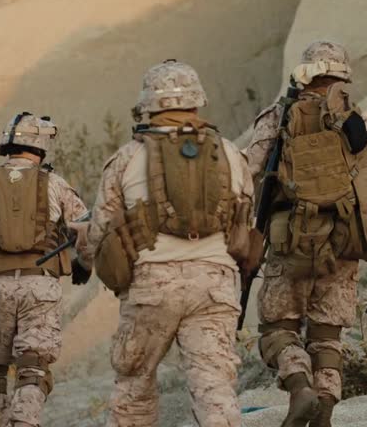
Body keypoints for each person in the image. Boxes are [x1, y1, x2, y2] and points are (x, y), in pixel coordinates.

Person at [84, 60, 253, 426]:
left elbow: (98, 232)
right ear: (197, 101)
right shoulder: (230, 153)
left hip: (151, 287)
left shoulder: (127, 158)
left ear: (148, 105)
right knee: (215, 387)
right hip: (215, 284)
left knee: (135, 384)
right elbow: (245, 219)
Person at [245, 41, 367, 426]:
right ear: (342, 77)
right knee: (327, 336)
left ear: (303, 73)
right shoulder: (360, 124)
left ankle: (300, 388)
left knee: (279, 329)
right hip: (343, 244)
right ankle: (323, 411)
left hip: (289, 242)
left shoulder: (279, 118)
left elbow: (247, 173)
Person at [0, 113, 89, 427]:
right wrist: (85, 263)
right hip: (39, 286)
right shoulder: (54, 183)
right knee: (34, 365)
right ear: (41, 146)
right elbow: (86, 225)